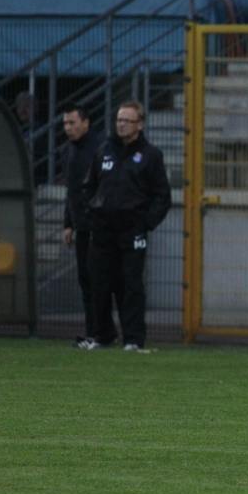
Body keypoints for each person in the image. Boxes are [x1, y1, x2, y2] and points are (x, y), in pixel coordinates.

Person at [79, 101, 171, 351]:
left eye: (127, 121)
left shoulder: (151, 155)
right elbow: (89, 186)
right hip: (103, 229)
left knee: (131, 284)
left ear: (139, 125)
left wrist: (146, 223)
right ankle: (103, 335)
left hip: (132, 230)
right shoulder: (104, 150)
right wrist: (92, 214)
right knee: (99, 283)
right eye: (119, 120)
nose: (121, 125)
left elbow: (162, 196)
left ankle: (133, 339)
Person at [61, 105, 100, 345]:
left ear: (86, 123)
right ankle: (92, 332)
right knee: (85, 279)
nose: (68, 128)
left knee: (100, 280)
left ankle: (104, 331)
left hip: (99, 225)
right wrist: (68, 223)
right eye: (65, 124)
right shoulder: (67, 151)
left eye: (72, 123)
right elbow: (71, 190)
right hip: (81, 225)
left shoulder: (100, 148)